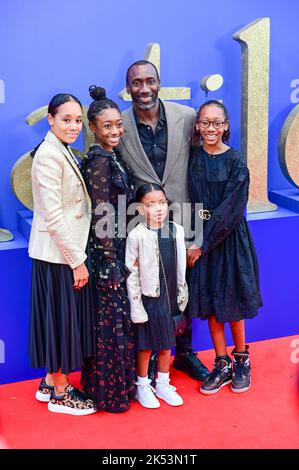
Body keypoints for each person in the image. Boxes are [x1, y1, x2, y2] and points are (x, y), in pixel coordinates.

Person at [117, 60, 209, 382]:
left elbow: (200, 166)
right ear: (127, 88)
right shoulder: (118, 124)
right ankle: (148, 360)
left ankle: (182, 354)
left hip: (182, 217)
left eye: (149, 81)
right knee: (145, 290)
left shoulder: (186, 117)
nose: (144, 89)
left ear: (159, 82)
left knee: (181, 287)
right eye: (136, 83)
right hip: (139, 223)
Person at [187, 99, 263, 394]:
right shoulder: (193, 157)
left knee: (231, 305)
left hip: (228, 239)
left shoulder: (235, 160)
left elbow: (233, 207)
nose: (210, 128)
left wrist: (203, 244)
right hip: (200, 237)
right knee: (211, 305)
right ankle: (221, 364)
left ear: (226, 126)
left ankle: (241, 359)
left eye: (217, 123)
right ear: (198, 125)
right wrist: (194, 239)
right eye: (205, 122)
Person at [28, 93, 96, 415]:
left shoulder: (60, 150)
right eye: (66, 119)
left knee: (57, 321)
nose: (73, 126)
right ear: (50, 120)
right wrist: (78, 261)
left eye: (78, 120)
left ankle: (48, 381)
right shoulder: (48, 155)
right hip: (58, 256)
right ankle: (60, 391)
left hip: (62, 253)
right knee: (59, 322)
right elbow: (54, 216)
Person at [80, 86, 135, 412]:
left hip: (116, 248)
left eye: (118, 124)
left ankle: (117, 389)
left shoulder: (109, 155)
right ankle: (108, 395)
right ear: (93, 128)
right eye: (107, 126)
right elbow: (101, 211)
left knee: (116, 321)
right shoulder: (99, 161)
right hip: (106, 254)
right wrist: (109, 260)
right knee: (109, 323)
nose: (114, 131)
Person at [126, 183, 188, 408]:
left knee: (166, 343)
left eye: (161, 202)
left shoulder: (177, 230)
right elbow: (131, 273)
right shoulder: (136, 235)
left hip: (170, 296)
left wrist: (182, 293)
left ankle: (163, 383)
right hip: (149, 300)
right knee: (146, 344)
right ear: (141, 209)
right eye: (151, 205)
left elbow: (181, 266)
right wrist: (136, 306)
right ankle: (142, 385)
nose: (158, 208)